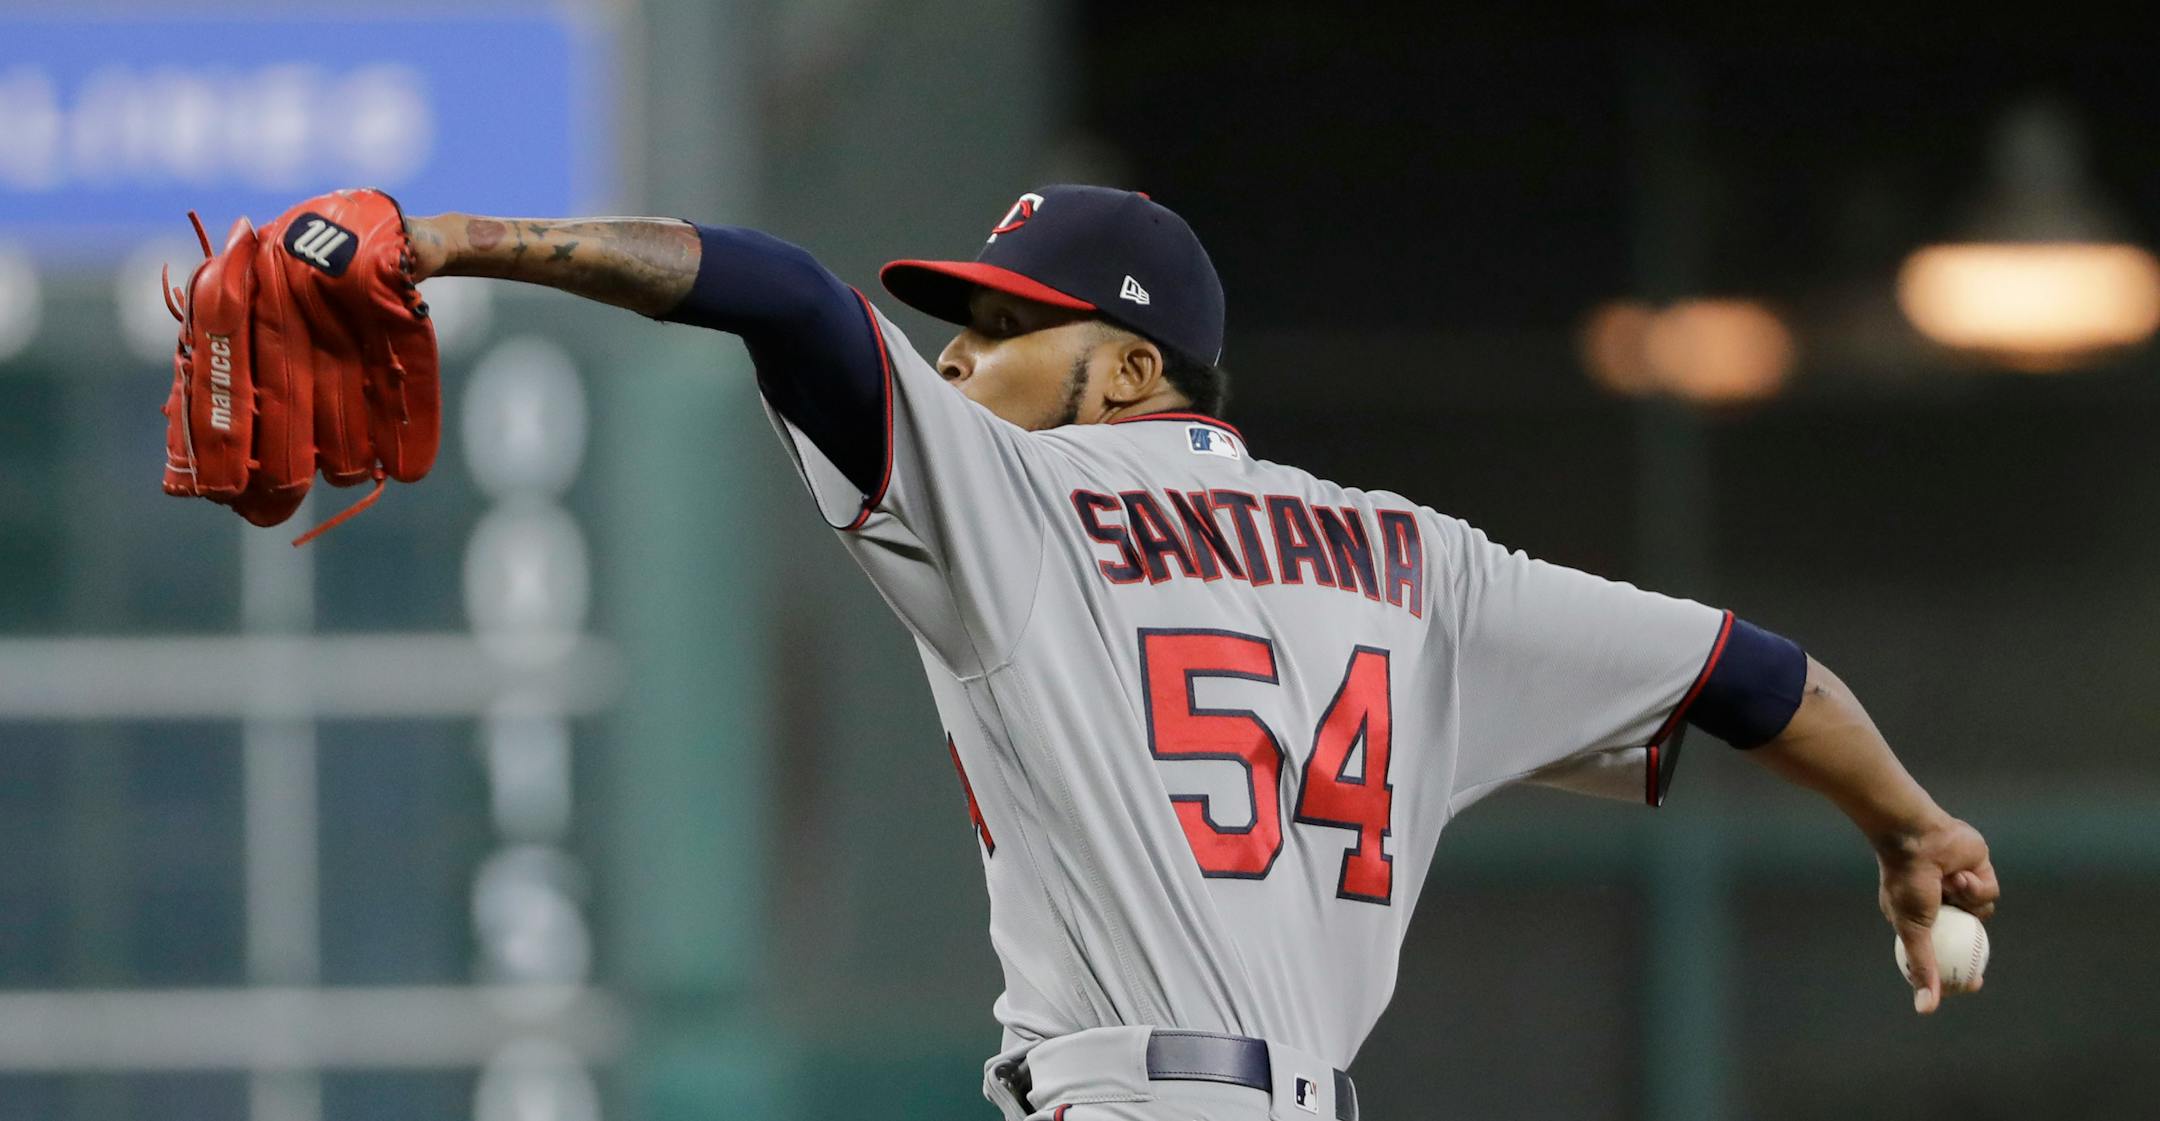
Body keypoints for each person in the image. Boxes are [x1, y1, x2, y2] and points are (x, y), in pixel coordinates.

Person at [398, 185, 1999, 1121]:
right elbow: (1752, 671)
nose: (957, 358)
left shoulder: (1020, 499)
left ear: (1128, 370)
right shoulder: (1421, 563)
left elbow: (795, 304)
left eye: (1003, 329)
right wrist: (1910, 826)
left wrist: (453, 237)